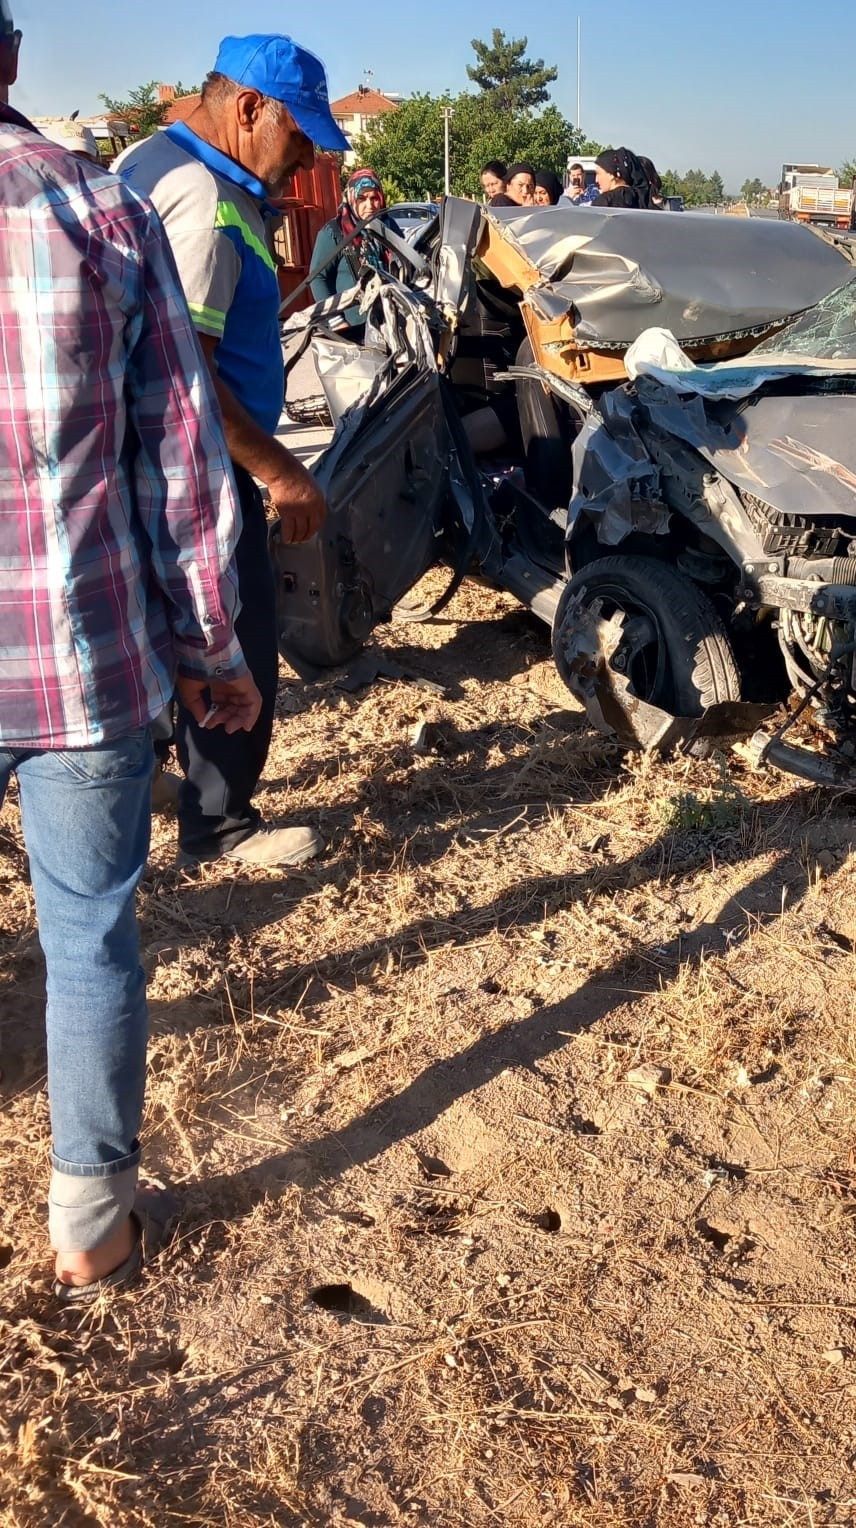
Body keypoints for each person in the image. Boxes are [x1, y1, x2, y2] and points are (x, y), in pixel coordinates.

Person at [1, 2, 261, 1299]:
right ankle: (93, 1219)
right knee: (90, 939)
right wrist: (212, 643)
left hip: (77, 663)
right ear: (8, 60)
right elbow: (176, 462)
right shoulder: (98, 213)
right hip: (80, 661)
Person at [116, 34, 349, 868]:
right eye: (300, 137)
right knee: (229, 628)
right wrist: (282, 473)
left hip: (141, 459)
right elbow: (191, 377)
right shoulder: (204, 206)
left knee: (151, 626)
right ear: (251, 109)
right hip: (200, 463)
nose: (309, 154)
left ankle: (147, 778)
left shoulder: (158, 164)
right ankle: (219, 824)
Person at [308, 165, 398, 335]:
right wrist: (336, 321)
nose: (369, 205)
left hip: (389, 323)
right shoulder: (334, 232)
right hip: (350, 327)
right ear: (351, 198)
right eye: (362, 199)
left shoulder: (388, 227)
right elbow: (317, 278)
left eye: (374, 198)